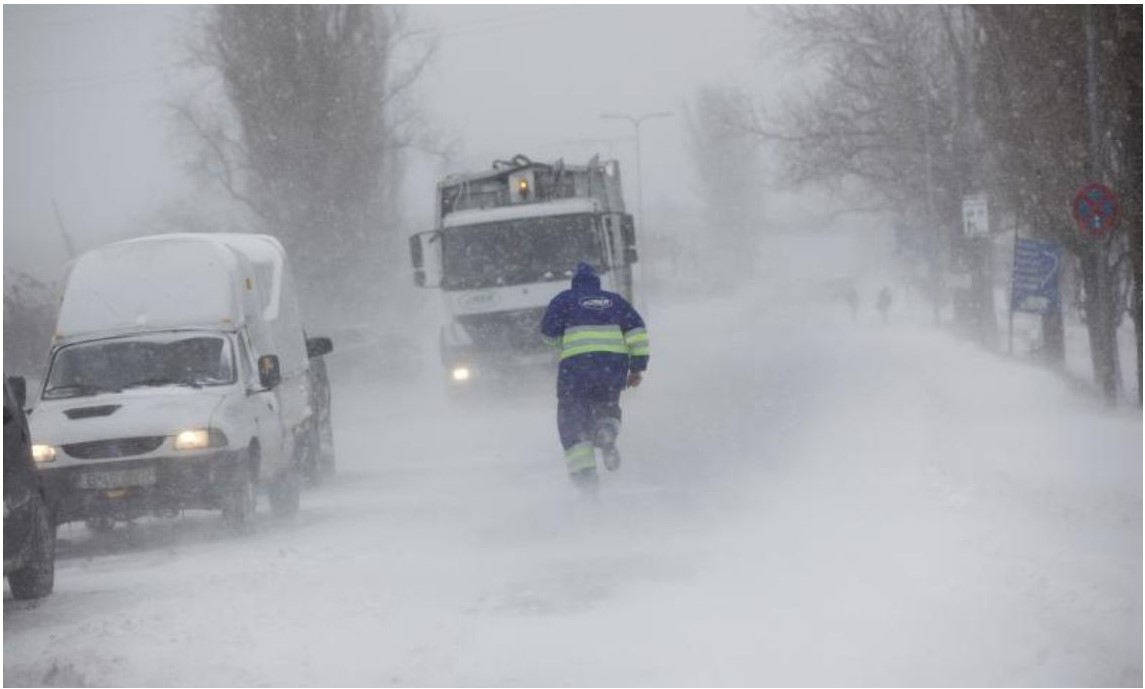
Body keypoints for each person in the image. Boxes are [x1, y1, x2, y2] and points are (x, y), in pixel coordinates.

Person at [540, 262, 649, 491]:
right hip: (611, 369)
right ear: (597, 282)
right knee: (606, 405)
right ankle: (607, 430)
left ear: (575, 282)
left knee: (572, 421)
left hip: (575, 372)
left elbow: (548, 335)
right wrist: (637, 368)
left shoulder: (564, 300)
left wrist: (564, 340)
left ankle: (586, 478)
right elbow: (637, 332)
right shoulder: (615, 301)